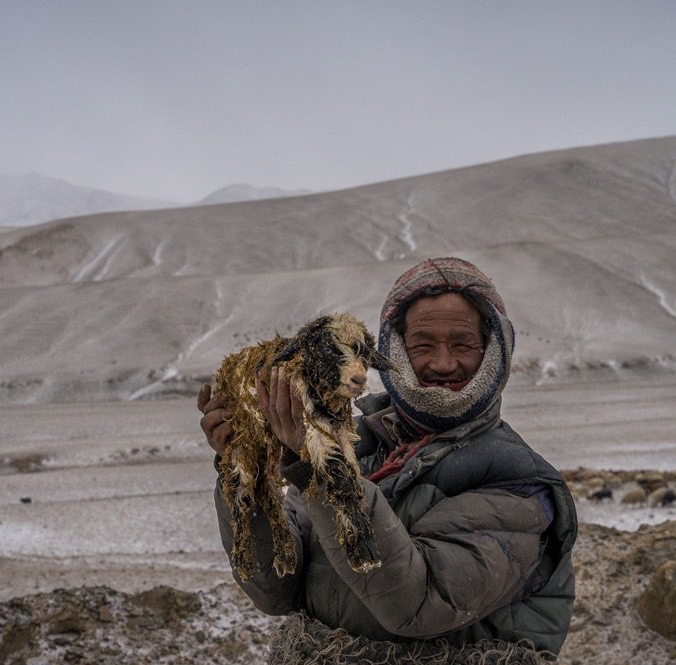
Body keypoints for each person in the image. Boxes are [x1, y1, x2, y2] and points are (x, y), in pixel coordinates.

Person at [198, 257, 576, 664]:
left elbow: (416, 604)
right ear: (394, 350)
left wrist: (324, 466)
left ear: (493, 352)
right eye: (422, 345)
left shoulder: (519, 483)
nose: (443, 363)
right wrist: (247, 471)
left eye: (463, 344)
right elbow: (275, 590)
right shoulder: (360, 444)